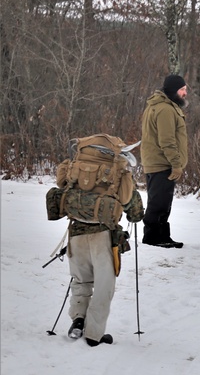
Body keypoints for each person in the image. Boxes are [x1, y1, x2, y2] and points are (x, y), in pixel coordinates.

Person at [65, 161, 145, 347]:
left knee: (81, 280)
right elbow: (135, 212)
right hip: (103, 236)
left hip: (75, 232)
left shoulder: (79, 168)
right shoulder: (118, 174)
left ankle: (78, 319)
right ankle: (94, 334)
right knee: (103, 285)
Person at [140, 74, 188, 248]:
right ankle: (153, 238)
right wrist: (176, 164)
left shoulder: (160, 106)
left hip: (158, 161)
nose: (185, 93)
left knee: (162, 201)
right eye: (182, 89)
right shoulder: (165, 109)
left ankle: (162, 236)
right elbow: (167, 140)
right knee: (159, 202)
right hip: (162, 162)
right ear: (173, 90)